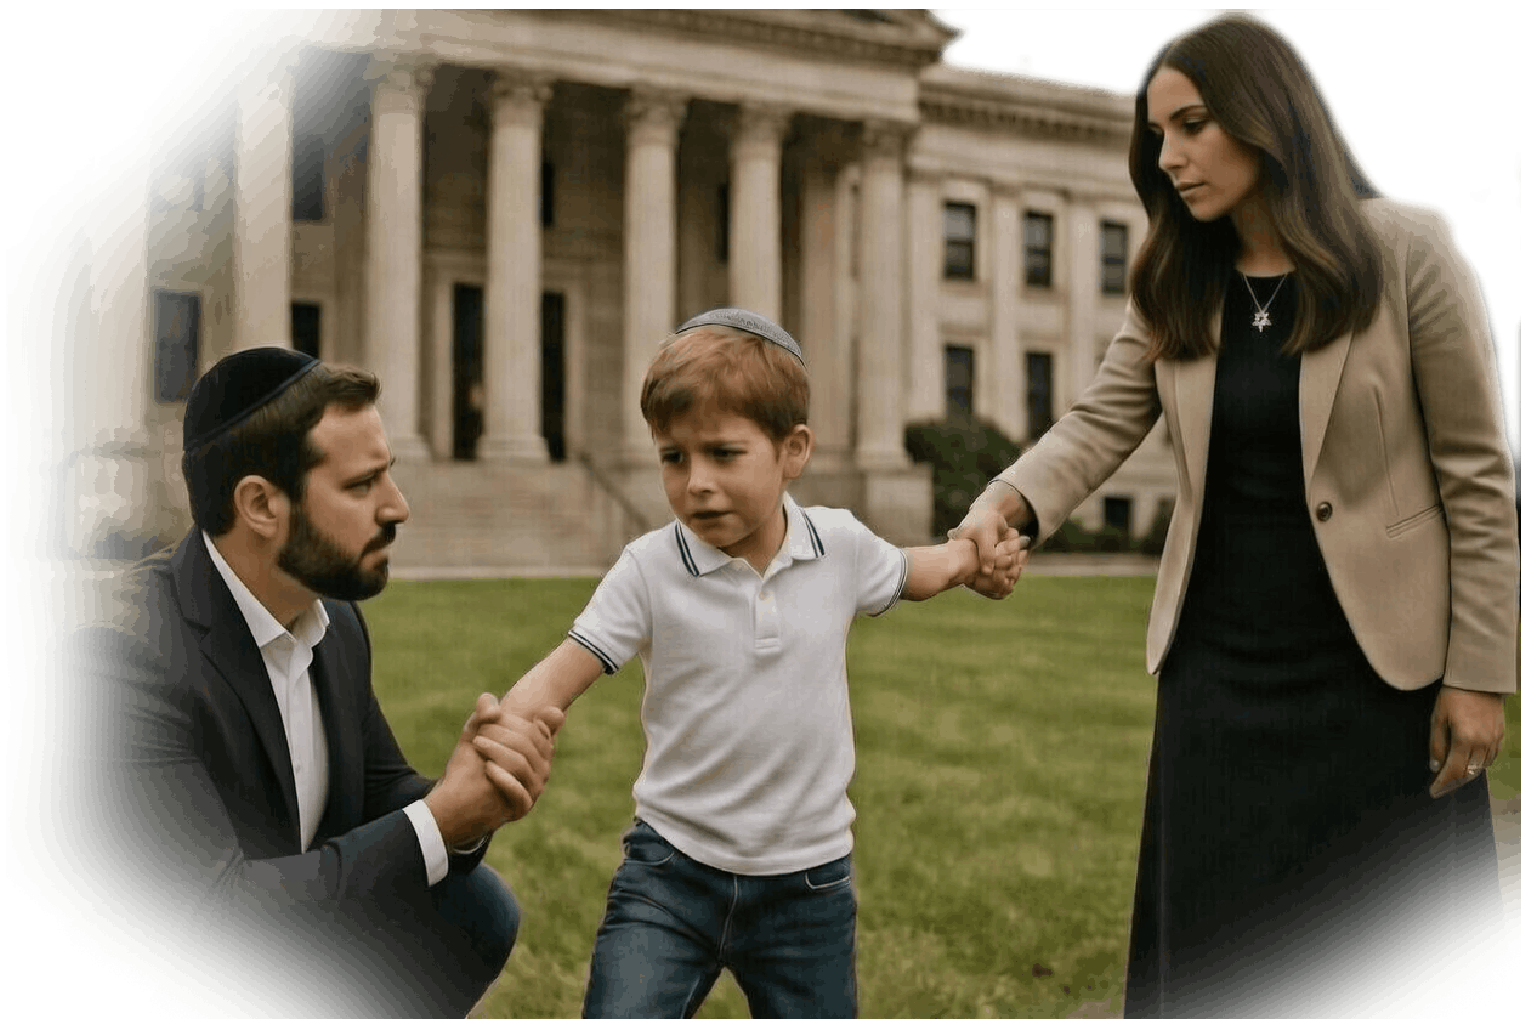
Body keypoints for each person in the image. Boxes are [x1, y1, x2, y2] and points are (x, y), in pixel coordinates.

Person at [950, 12, 1516, 1019]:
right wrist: (1006, 503)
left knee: (1390, 963)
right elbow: (1095, 422)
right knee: (1222, 966)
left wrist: (1478, 673)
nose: (1169, 157)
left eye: (1193, 125)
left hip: (1379, 682)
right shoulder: (1174, 275)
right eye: (1157, 135)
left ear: (1268, 115)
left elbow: (1477, 475)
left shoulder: (1410, 248)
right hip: (1220, 680)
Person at [471, 308, 1025, 1018]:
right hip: (670, 877)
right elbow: (561, 672)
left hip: (808, 888)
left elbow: (916, 568)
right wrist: (503, 730)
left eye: (723, 454)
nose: (695, 481)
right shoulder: (650, 568)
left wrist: (973, 558)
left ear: (793, 450)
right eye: (674, 457)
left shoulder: (840, 544)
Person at [115, 347, 566, 1017]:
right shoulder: (130, 649)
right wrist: (437, 824)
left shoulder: (336, 624)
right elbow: (215, 913)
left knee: (473, 909)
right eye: (363, 485)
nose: (399, 508)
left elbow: (381, 795)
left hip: (282, 943)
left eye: (390, 476)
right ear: (261, 505)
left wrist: (471, 793)